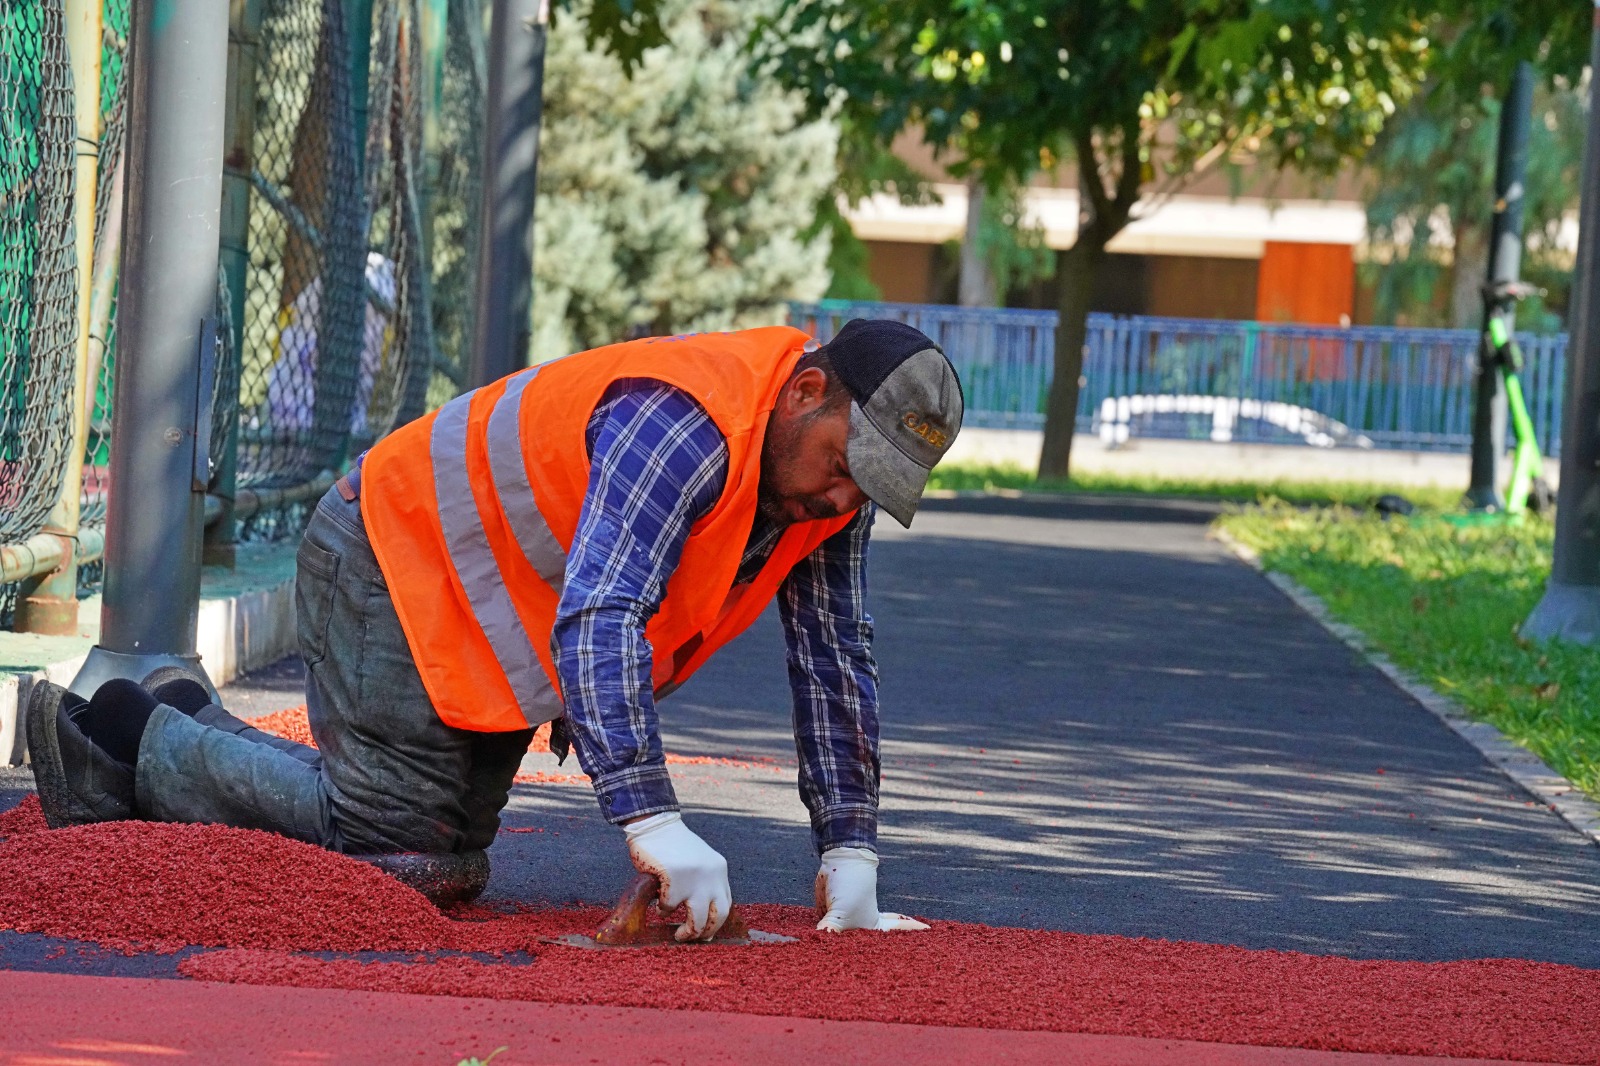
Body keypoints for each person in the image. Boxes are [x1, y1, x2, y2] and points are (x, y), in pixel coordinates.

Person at [27, 318, 964, 940]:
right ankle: (118, 743)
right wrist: (652, 819)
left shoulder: (822, 494)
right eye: (845, 464)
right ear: (805, 392)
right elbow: (604, 613)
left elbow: (836, 659)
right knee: (404, 856)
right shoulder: (686, 424)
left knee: (449, 852)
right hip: (391, 554)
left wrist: (850, 848)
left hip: (475, 610)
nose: (843, 501)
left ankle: (182, 716)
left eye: (872, 488)